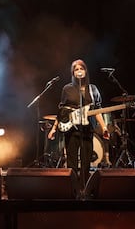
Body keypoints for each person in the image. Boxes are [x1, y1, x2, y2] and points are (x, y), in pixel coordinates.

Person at [47, 59, 109, 191]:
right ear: (73, 73)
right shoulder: (67, 89)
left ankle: (85, 190)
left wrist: (104, 127)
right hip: (71, 130)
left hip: (87, 130)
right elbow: (61, 111)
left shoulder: (93, 89)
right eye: (76, 69)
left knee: (86, 162)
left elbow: (97, 110)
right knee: (72, 162)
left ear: (86, 71)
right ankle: (73, 189)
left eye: (81, 69)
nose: (79, 71)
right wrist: (53, 129)